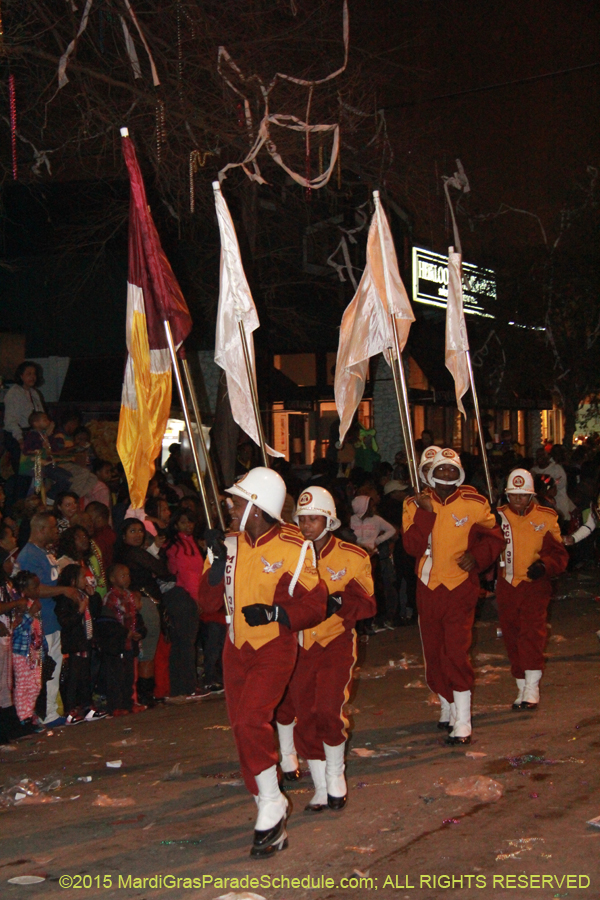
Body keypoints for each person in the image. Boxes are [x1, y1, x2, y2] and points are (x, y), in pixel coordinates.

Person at [198, 467, 327, 858]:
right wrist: (216, 566)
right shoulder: (227, 544)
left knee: (251, 719)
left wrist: (276, 614)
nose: (230, 507)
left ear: (256, 506)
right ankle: (266, 806)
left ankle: (272, 801)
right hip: (235, 647)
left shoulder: (294, 546)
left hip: (273, 647)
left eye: (236, 501)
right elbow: (206, 604)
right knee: (241, 727)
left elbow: (315, 604)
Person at [276, 487, 375, 811]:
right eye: (302, 519)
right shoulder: (288, 554)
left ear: (329, 520)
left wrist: (339, 602)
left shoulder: (353, 556)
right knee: (305, 714)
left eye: (314, 519)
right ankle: (320, 786)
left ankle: (335, 775)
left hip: (335, 642)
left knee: (329, 709)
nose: (306, 526)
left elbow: (368, 604)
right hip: (299, 643)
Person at [402, 448, 505, 745]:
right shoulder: (413, 504)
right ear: (428, 473)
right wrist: (425, 513)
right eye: (440, 469)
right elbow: (412, 547)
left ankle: (463, 720)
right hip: (428, 587)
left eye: (451, 469)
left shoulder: (475, 502)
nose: (446, 474)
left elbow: (494, 538)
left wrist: (477, 556)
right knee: (434, 653)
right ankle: (447, 704)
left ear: (459, 473)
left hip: (460, 587)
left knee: (456, 651)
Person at [496, 469, 569, 710]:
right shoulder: (497, 517)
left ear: (531, 495)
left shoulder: (546, 517)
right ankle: (520, 685)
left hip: (534, 586)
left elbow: (559, 555)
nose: (518, 500)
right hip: (507, 585)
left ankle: (531, 687)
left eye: (523, 495)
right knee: (511, 635)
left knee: (532, 634)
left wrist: (544, 566)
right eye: (514, 495)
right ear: (507, 495)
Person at [17, 511, 81, 726]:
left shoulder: (45, 553)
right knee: (43, 670)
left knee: (53, 667)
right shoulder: (29, 555)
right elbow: (33, 589)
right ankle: (43, 714)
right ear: (41, 529)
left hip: (52, 619)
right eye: (53, 528)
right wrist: (63, 590)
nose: (56, 531)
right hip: (41, 620)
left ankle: (51, 712)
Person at [54, 564, 105, 723]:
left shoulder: (83, 595)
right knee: (73, 678)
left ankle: (86, 707)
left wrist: (93, 596)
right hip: (75, 643)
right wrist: (79, 611)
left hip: (85, 642)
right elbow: (65, 622)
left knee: (85, 677)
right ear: (72, 580)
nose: (86, 579)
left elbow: (96, 613)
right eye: (83, 577)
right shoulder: (66, 599)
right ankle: (70, 711)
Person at [99, 563, 146, 716]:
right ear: (112, 579)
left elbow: (136, 617)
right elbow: (108, 623)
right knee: (116, 676)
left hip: (129, 644)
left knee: (128, 676)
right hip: (117, 645)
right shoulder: (110, 598)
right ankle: (115, 705)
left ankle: (128, 703)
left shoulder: (129, 596)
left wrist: (139, 631)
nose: (127, 578)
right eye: (123, 575)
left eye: (128, 575)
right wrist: (126, 633)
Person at [3, 362, 45, 504]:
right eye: (28, 374)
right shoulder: (14, 393)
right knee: (24, 476)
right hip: (18, 436)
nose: (32, 377)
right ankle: (17, 507)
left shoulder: (34, 393)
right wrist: (20, 440)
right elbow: (10, 421)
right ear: (21, 376)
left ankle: (33, 504)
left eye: (34, 374)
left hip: (33, 436)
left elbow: (40, 416)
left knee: (36, 474)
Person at [11, 571, 45, 731]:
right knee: (23, 685)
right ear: (23, 589)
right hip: (21, 651)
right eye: (34, 587)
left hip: (33, 651)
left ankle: (29, 714)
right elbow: (16, 629)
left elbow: (38, 629)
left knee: (35, 685)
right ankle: (23, 718)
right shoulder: (21, 605)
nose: (38, 590)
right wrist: (30, 614)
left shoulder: (34, 603)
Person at [531, 448, 573, 522]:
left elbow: (560, 484)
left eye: (542, 455)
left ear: (548, 456)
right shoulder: (533, 471)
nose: (540, 457)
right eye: (538, 455)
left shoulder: (557, 469)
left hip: (560, 507)